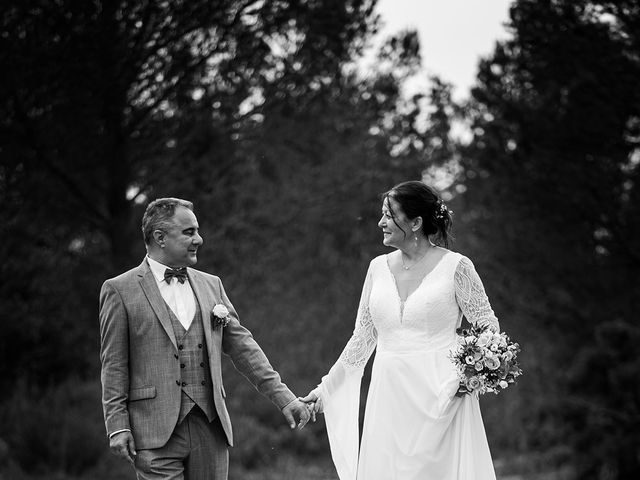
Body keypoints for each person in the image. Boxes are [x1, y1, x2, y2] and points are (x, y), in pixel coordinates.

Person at [99, 197, 310, 480]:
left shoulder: (212, 285)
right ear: (160, 237)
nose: (199, 239)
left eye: (197, 231)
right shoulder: (119, 290)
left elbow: (244, 348)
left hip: (210, 429)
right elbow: (113, 365)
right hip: (154, 433)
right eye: (189, 232)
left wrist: (284, 398)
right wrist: (118, 425)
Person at [301, 181, 499, 480]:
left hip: (442, 398)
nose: (381, 222)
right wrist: (326, 389)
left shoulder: (456, 267)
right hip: (389, 398)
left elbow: (488, 327)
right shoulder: (377, 268)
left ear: (416, 222)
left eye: (389, 215)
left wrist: (466, 379)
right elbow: (362, 339)